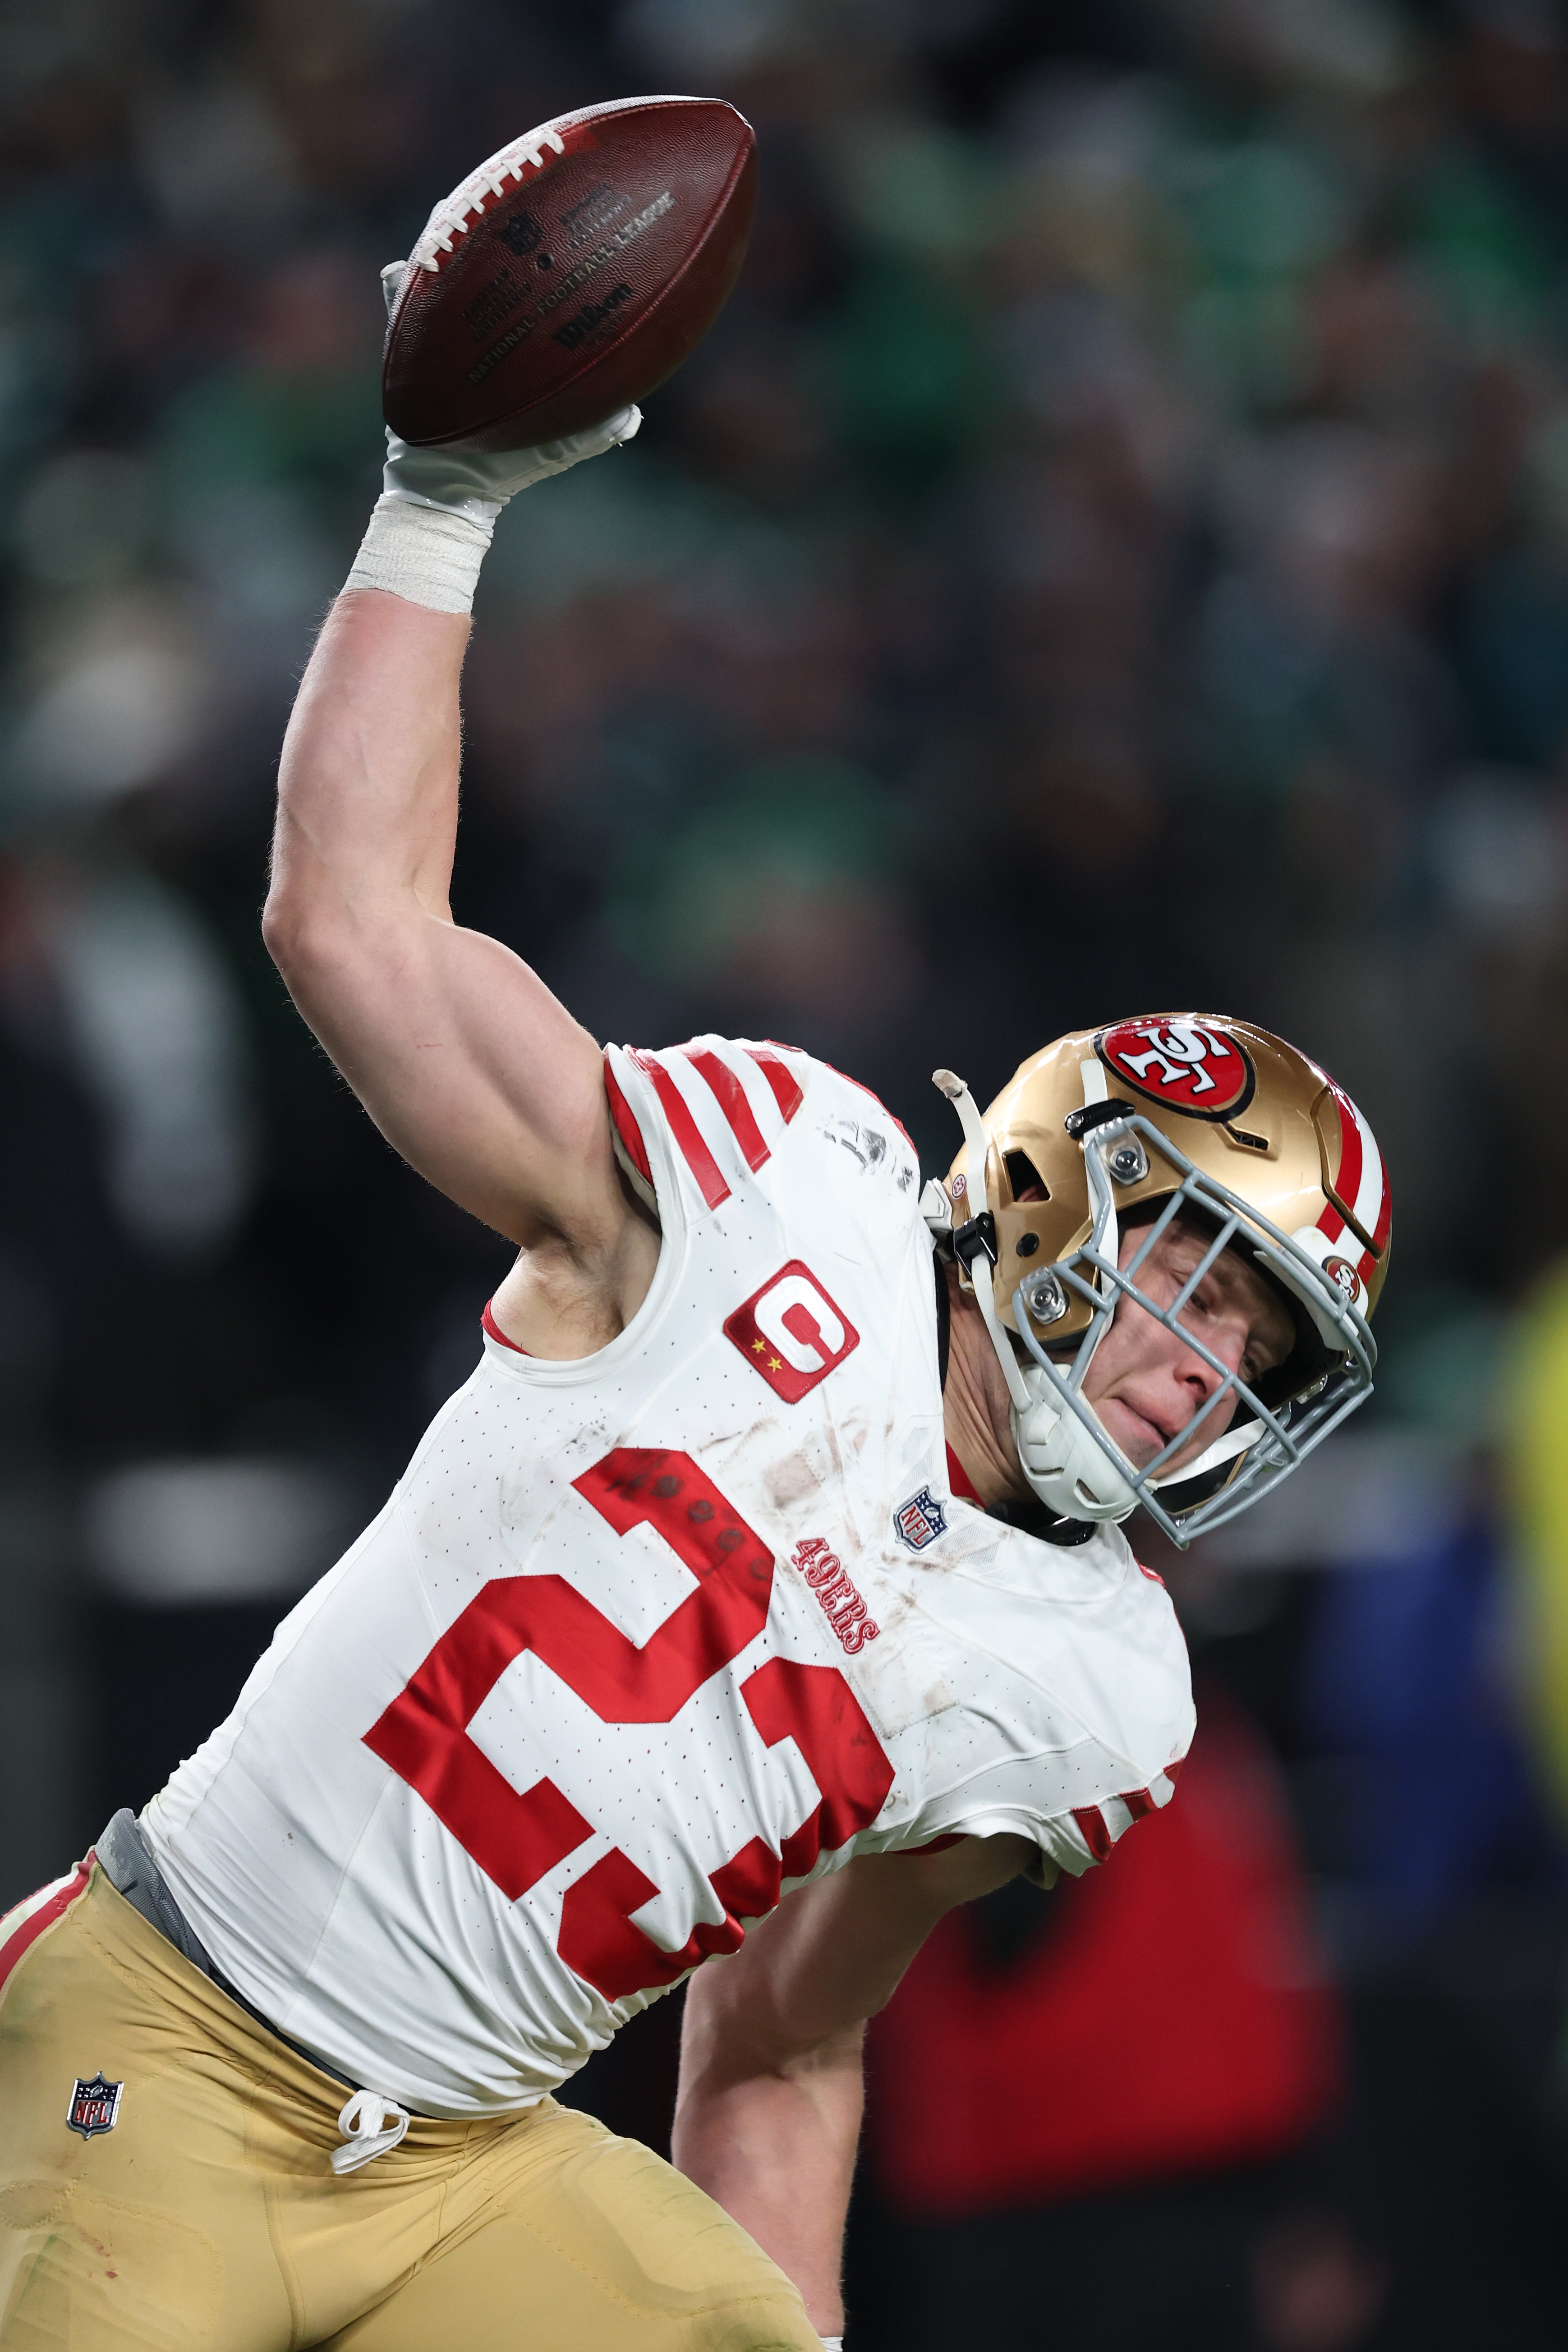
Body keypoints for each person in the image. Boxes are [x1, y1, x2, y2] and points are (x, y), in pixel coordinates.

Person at [0, 142, 1391, 2352]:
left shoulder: (1094, 1685)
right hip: (167, 2031)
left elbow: (786, 2038)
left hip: (470, 2162)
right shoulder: (779, 1182)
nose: (1201, 1367)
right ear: (1058, 1184)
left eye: (1263, 1347)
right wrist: (441, 501)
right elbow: (351, 926)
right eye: (1197, 1277)